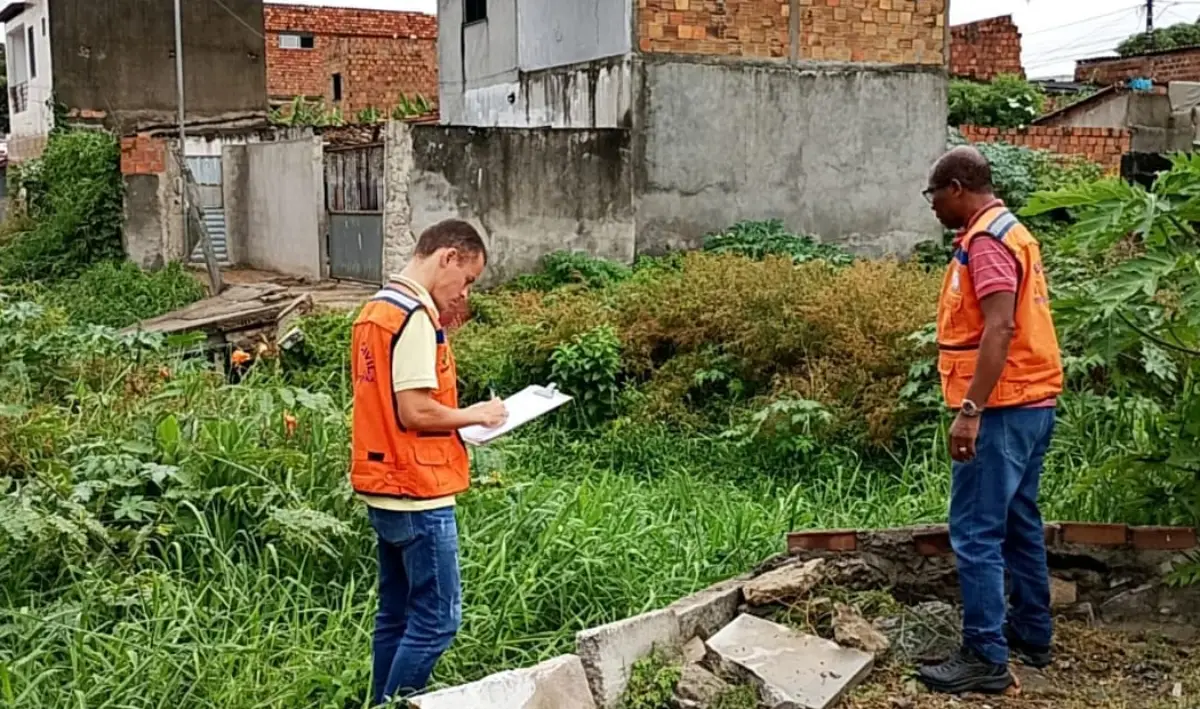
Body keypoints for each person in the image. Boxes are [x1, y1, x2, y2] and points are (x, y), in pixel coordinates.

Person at [916, 146, 1064, 695]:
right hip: (1032, 400)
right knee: (1020, 519)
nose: (931, 206)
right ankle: (1031, 633)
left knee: (976, 531)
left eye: (933, 195)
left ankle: (985, 655)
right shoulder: (1012, 231)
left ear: (956, 187)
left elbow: (999, 328)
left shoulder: (987, 242)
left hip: (1000, 408)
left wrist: (970, 412)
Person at [348, 219, 508, 706]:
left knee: (396, 615)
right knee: (437, 620)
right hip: (418, 491)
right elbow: (414, 409)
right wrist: (475, 414)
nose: (464, 291)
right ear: (448, 258)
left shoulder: (376, 309)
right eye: (468, 279)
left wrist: (458, 425)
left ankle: (381, 700)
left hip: (382, 483)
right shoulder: (415, 315)